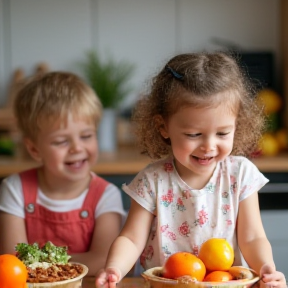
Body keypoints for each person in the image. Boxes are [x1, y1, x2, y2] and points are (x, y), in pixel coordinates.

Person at [95, 52, 286, 288]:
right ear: (163, 127)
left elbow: (253, 237)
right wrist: (114, 268)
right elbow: (132, 238)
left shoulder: (241, 174)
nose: (209, 146)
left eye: (223, 133)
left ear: (238, 124)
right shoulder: (152, 180)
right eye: (194, 135)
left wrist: (266, 268)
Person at [0, 71, 126, 276]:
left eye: (86, 136)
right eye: (61, 141)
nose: (77, 147)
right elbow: (12, 262)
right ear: (34, 149)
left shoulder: (106, 195)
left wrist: (39, 264)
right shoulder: (15, 189)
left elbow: (102, 260)